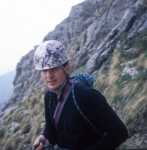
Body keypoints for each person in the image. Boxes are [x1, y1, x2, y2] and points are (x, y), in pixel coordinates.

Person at [32, 40, 128, 150]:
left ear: (67, 68)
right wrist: (45, 137)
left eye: (54, 68)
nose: (49, 75)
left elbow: (120, 132)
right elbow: (52, 129)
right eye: (44, 70)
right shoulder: (49, 97)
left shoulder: (86, 96)